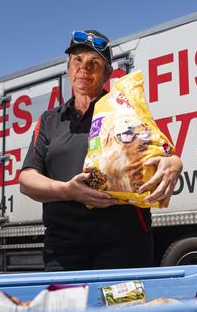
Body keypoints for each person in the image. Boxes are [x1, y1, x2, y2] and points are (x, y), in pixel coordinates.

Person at [19, 30, 183, 272]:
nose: (84, 69)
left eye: (94, 63)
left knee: (124, 309)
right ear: (68, 67)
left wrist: (174, 163)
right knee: (67, 310)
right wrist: (68, 191)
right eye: (78, 60)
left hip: (124, 243)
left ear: (107, 74)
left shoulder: (125, 110)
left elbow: (162, 152)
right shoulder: (49, 120)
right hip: (64, 248)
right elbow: (26, 180)